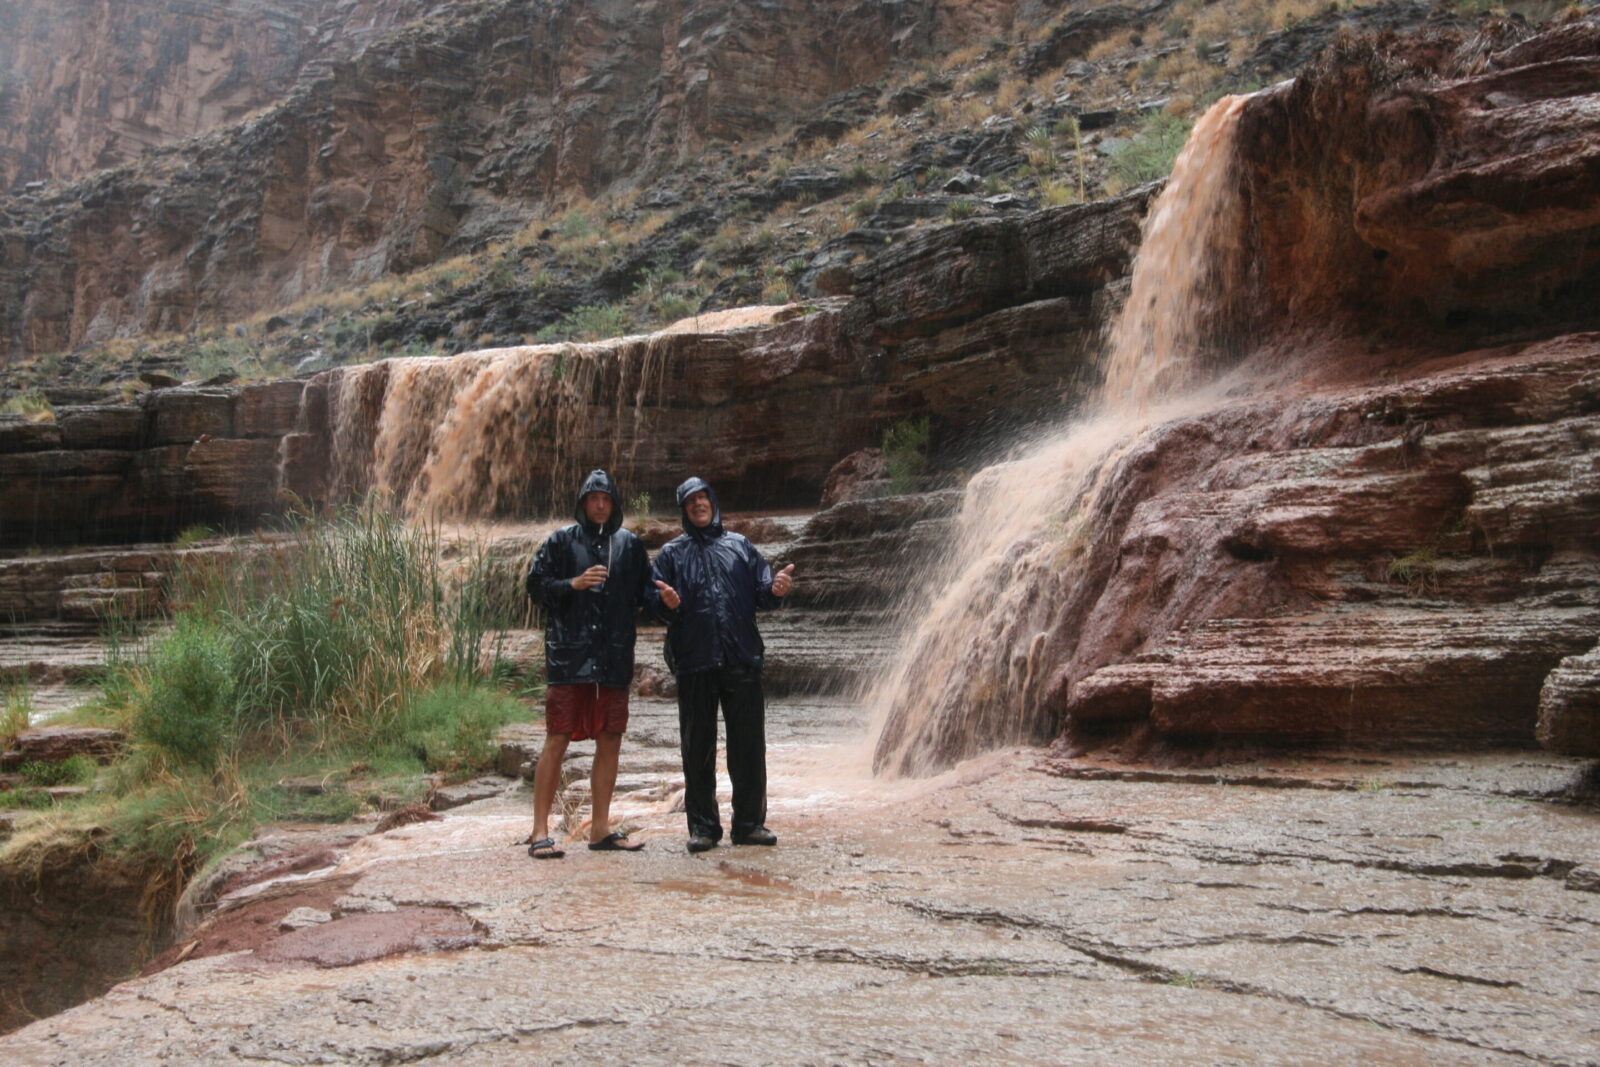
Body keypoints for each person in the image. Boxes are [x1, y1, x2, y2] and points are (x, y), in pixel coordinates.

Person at [651, 476, 794, 853]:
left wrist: (776, 589)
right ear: (683, 510)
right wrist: (663, 605)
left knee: (748, 747)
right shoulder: (670, 555)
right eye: (690, 501)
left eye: (703, 498)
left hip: (741, 659)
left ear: (712, 502)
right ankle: (703, 827)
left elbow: (764, 593)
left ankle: (749, 824)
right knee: (697, 748)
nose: (699, 505)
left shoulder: (740, 546)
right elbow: (653, 605)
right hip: (694, 661)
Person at [523, 469, 658, 859]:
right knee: (558, 737)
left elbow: (645, 598)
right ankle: (538, 832)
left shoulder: (630, 545)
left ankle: (600, 829)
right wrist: (573, 584)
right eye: (593, 498)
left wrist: (666, 602)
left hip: (613, 657)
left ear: (614, 504)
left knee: (611, 739)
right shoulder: (561, 541)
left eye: (606, 498)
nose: (600, 504)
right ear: (583, 503)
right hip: (570, 655)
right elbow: (536, 587)